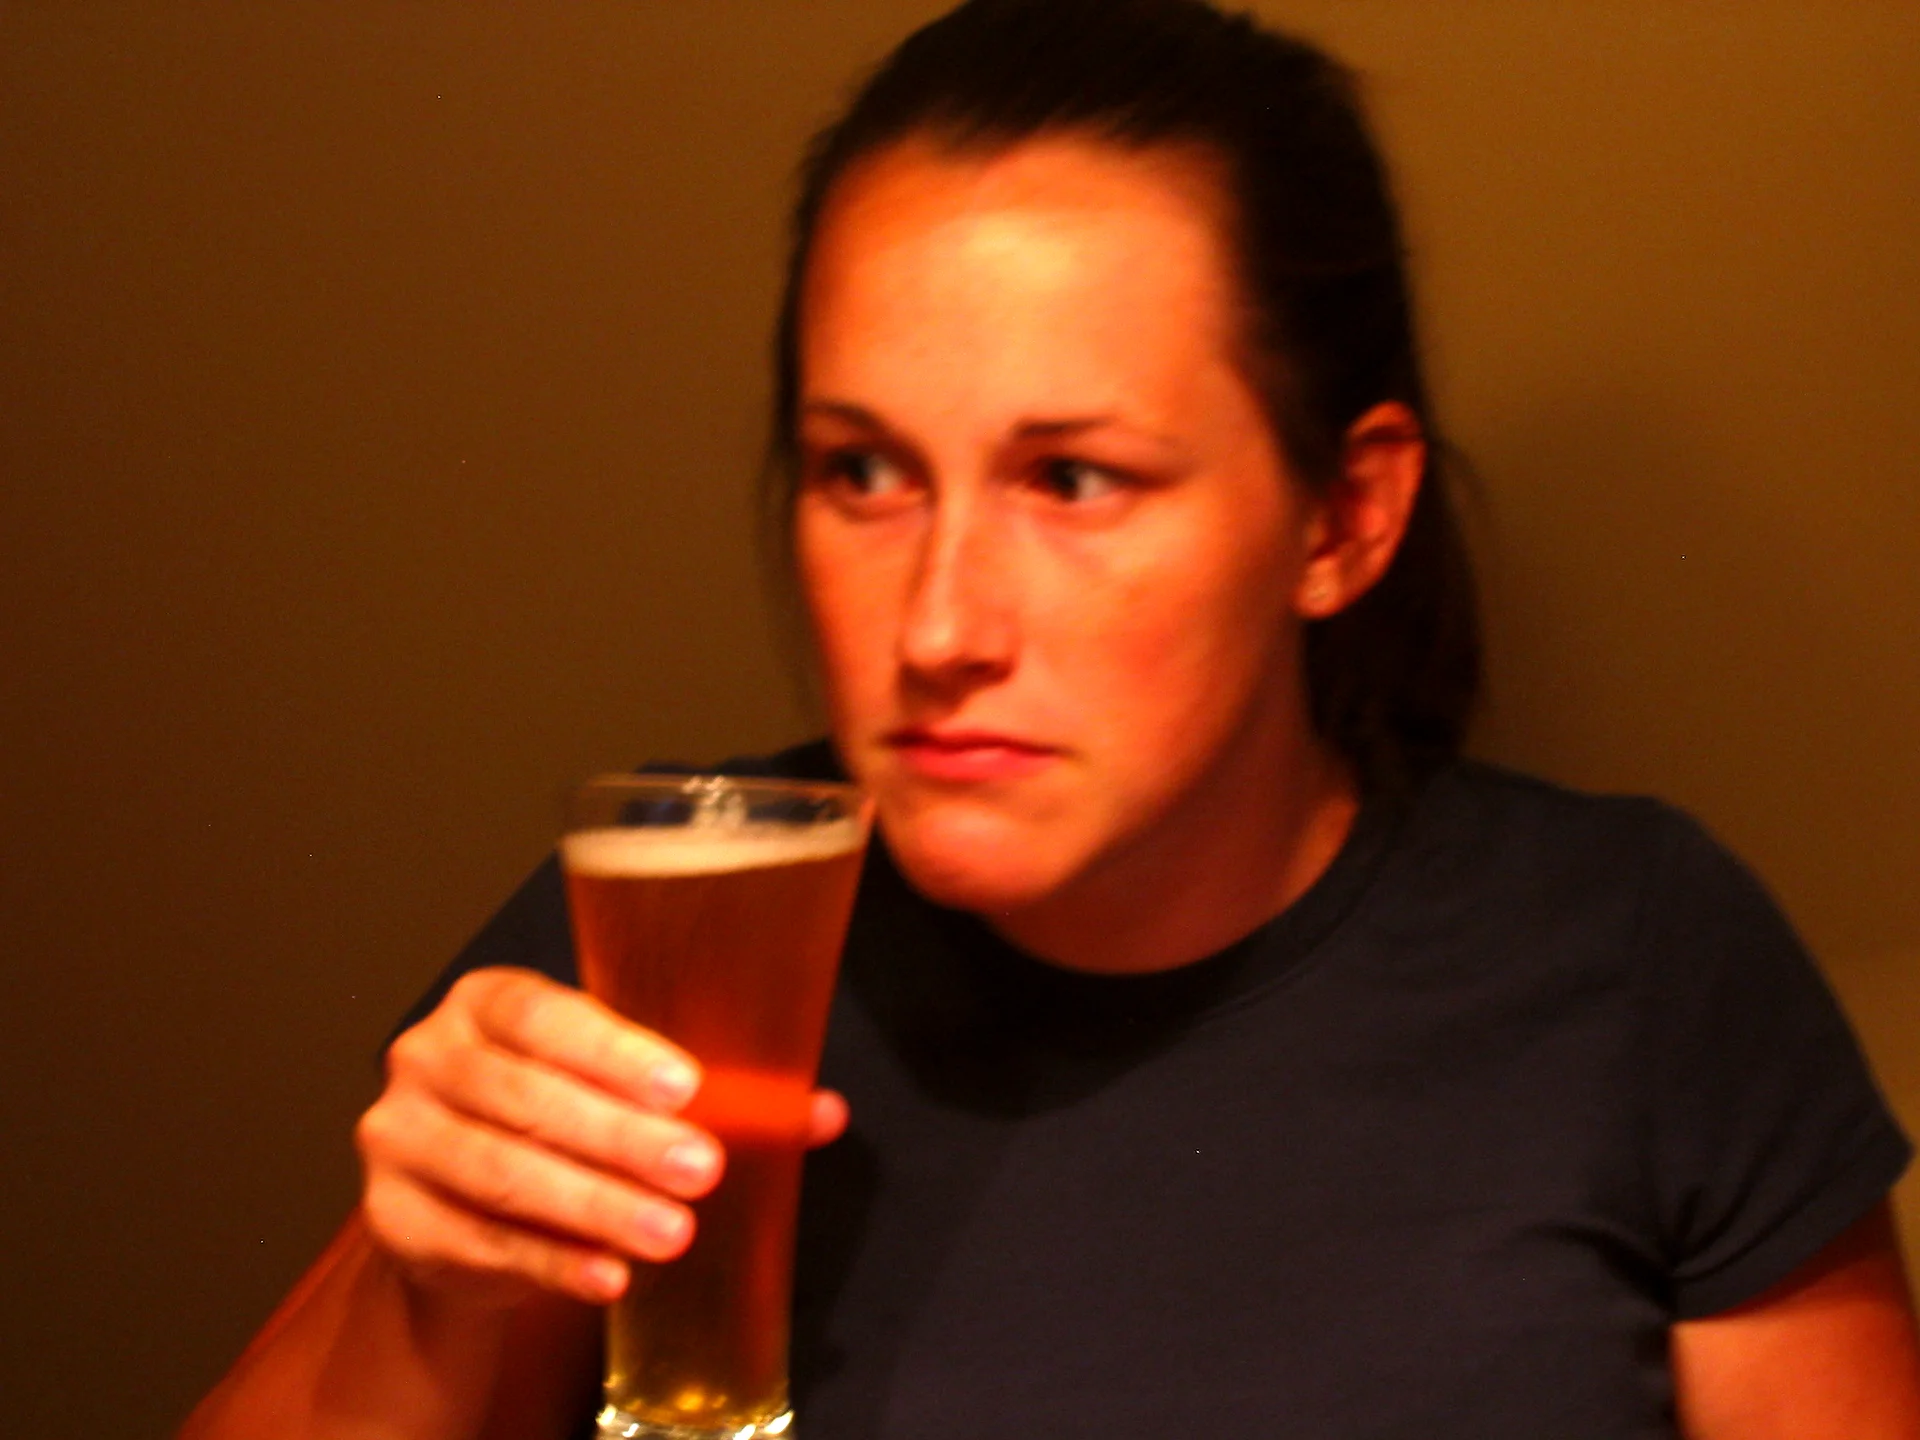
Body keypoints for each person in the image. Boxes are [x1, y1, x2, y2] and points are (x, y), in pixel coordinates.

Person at [181, 2, 1920, 1436]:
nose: (938, 627)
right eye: (864, 472)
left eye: (1074, 479)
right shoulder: (671, 941)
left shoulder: (1638, 963)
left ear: (1342, 518)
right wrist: (426, 1284)